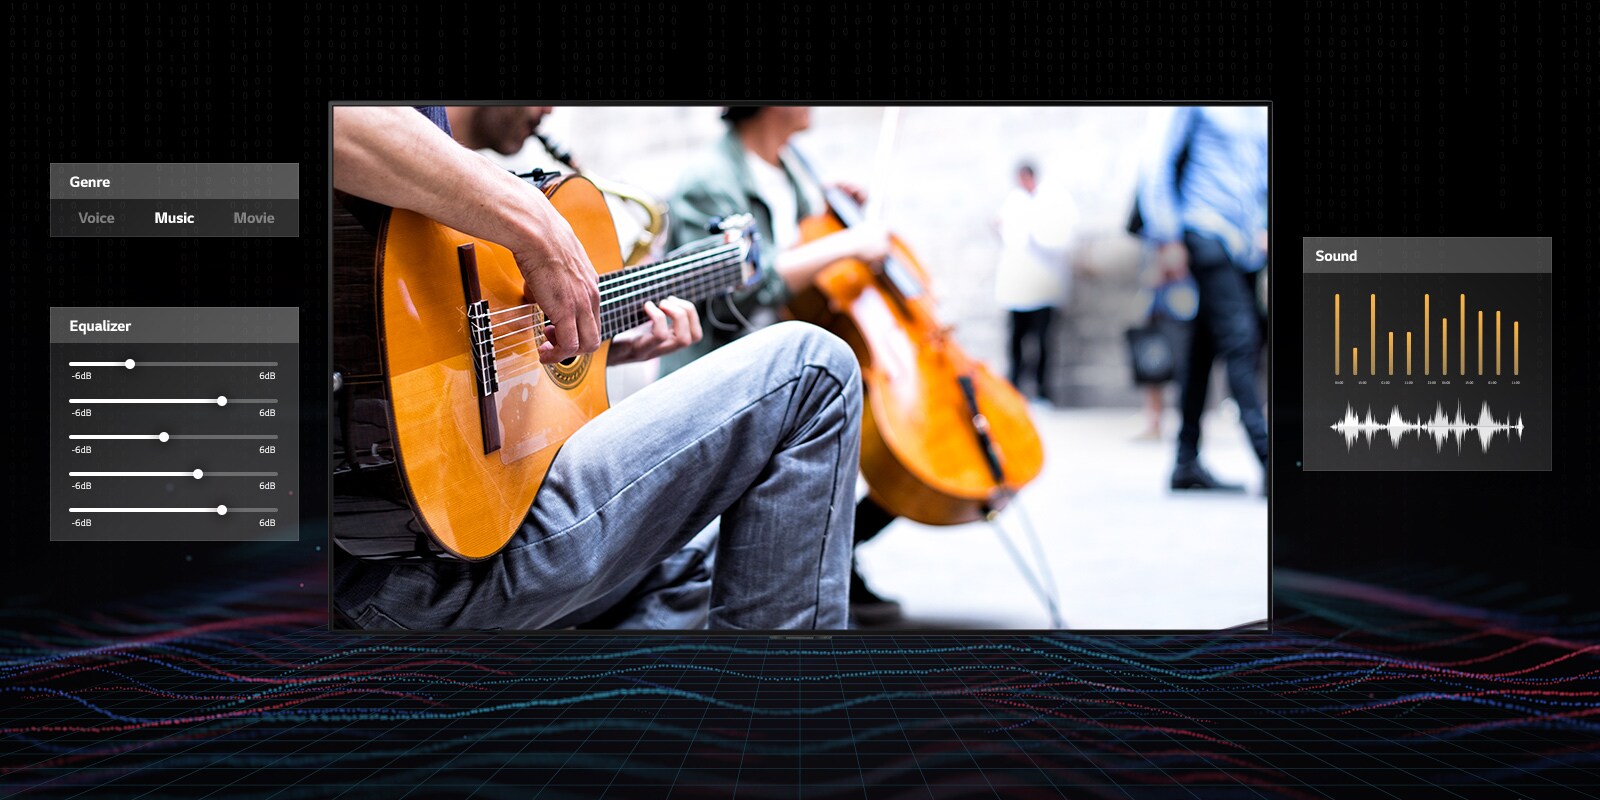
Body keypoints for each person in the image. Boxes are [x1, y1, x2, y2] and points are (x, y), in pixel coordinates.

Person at [329, 106, 863, 630]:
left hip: (422, 544)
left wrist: (599, 344)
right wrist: (541, 227)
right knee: (813, 368)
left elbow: (449, 373)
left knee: (693, 558)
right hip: (402, 568)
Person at [662, 106, 905, 626]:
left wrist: (832, 208)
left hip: (786, 364)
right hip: (723, 373)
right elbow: (747, 286)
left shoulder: (792, 168)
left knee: (874, 437)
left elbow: (798, 241)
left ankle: (830, 566)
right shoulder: (708, 180)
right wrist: (849, 243)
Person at [1136, 105, 1269, 493]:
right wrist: (1168, 236)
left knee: (1205, 345)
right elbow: (1155, 162)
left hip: (1246, 246)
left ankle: (1185, 461)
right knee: (1241, 340)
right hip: (1204, 232)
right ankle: (1269, 459)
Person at [993, 162, 1074, 404]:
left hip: (1043, 285)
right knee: (1016, 340)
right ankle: (1014, 388)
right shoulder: (1013, 201)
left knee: (1042, 340)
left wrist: (1031, 229)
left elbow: (1058, 238)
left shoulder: (1053, 200)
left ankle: (1042, 390)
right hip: (1017, 286)